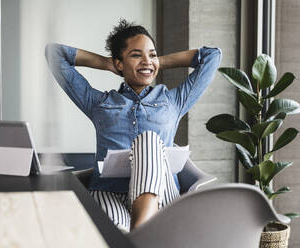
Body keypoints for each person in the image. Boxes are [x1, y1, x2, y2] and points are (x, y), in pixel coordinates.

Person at [45, 19, 221, 233]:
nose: (146, 60)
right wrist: (106, 63)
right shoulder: (99, 103)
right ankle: (143, 236)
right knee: (119, 234)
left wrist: (155, 63)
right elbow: (55, 54)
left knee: (147, 141)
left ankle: (142, 233)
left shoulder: (173, 101)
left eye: (152, 53)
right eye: (136, 55)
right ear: (119, 63)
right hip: (110, 193)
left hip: (162, 195)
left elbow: (212, 55)